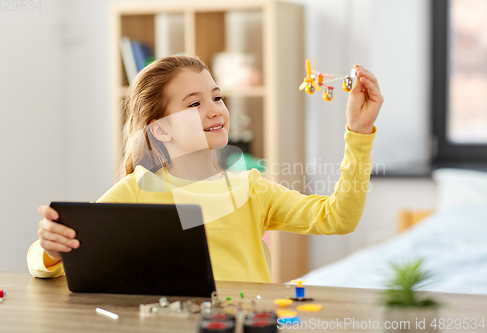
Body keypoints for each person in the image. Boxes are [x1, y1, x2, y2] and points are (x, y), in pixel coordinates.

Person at [27, 55, 384, 283]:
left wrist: (359, 132)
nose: (215, 109)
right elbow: (47, 261)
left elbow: (339, 218)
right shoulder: (137, 190)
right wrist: (51, 251)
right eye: (194, 103)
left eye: (216, 97)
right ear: (160, 128)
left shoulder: (252, 189)